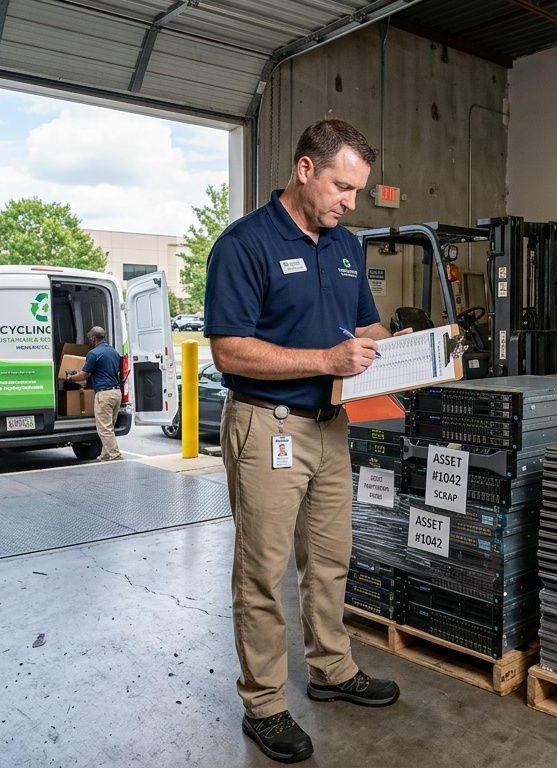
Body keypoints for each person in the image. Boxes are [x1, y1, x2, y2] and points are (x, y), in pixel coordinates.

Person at [205, 119, 402, 764]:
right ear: (306, 170)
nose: (351, 203)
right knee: (262, 571)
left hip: (332, 427)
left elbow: (364, 322)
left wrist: (400, 350)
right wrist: (329, 359)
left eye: (358, 191)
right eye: (343, 187)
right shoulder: (244, 245)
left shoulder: (345, 246)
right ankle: (264, 703)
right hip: (270, 428)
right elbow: (231, 348)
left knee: (330, 560)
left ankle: (332, 669)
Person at [63, 326, 123, 462]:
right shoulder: (114, 352)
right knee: (109, 426)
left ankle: (115, 454)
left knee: (104, 428)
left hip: (104, 394)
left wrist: (70, 378)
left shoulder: (93, 353)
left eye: (90, 337)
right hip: (116, 393)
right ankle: (106, 454)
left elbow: (84, 374)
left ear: (93, 338)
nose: (89, 339)